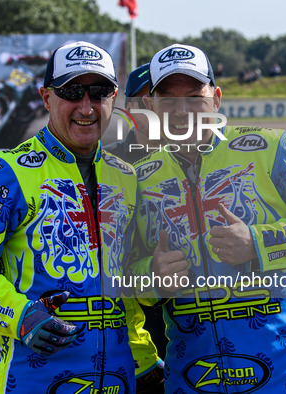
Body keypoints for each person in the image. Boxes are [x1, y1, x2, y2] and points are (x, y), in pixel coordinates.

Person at [130, 43, 286, 392]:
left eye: (194, 96)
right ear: (149, 106)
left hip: (280, 373)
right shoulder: (140, 179)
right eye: (168, 99)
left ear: (216, 99)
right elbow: (123, 278)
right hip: (190, 376)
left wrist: (259, 242)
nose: (182, 110)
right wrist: (151, 276)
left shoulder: (272, 147)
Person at [0, 40, 149, 394]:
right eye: (71, 91)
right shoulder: (6, 171)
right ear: (47, 98)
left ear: (114, 99)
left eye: (99, 92)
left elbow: (124, 288)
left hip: (118, 378)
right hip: (37, 376)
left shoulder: (126, 176)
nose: (86, 106)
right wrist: (19, 315)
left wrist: (143, 359)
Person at [105, 63, 169, 367]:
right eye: (146, 100)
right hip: (131, 299)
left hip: (189, 295)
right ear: (129, 107)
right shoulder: (106, 161)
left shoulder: (197, 155)